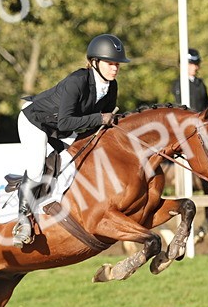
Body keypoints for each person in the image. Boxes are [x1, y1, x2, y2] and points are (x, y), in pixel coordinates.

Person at [11, 33, 129, 246]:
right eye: (110, 63)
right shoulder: (77, 81)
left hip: (60, 127)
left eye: (117, 64)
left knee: (81, 158)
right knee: (37, 169)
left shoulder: (111, 86)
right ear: (94, 62)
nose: (115, 68)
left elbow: (102, 124)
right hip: (35, 121)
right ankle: (23, 220)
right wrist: (100, 117)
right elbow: (67, 122)